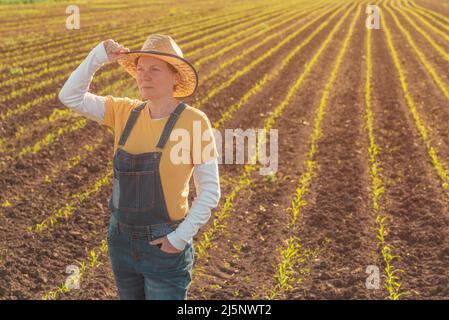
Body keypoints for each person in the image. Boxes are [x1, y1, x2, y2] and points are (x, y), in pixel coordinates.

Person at [58, 34, 221, 300]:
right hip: (120, 240)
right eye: (141, 69)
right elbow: (70, 96)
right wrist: (98, 56)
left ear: (175, 77)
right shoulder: (124, 112)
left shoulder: (194, 122)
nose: (144, 76)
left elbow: (210, 192)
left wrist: (178, 239)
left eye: (155, 69)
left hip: (164, 243)